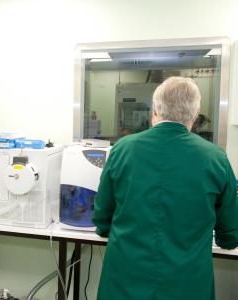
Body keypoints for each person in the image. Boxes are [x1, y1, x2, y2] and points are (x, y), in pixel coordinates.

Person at [93, 77, 238, 300]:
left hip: (125, 283)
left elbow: (102, 219)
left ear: (155, 110)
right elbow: (230, 235)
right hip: (187, 287)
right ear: (196, 113)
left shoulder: (123, 149)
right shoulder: (215, 158)